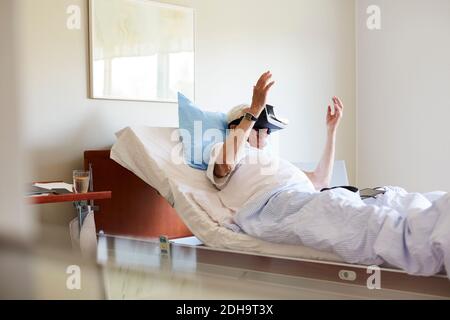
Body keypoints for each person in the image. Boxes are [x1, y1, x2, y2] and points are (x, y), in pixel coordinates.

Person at [206, 71, 344, 212]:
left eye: (268, 129)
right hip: (281, 203)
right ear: (235, 128)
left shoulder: (272, 161)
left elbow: (320, 181)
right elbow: (223, 166)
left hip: (310, 198)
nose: (265, 133)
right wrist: (254, 110)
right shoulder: (223, 150)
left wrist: (331, 131)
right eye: (258, 125)